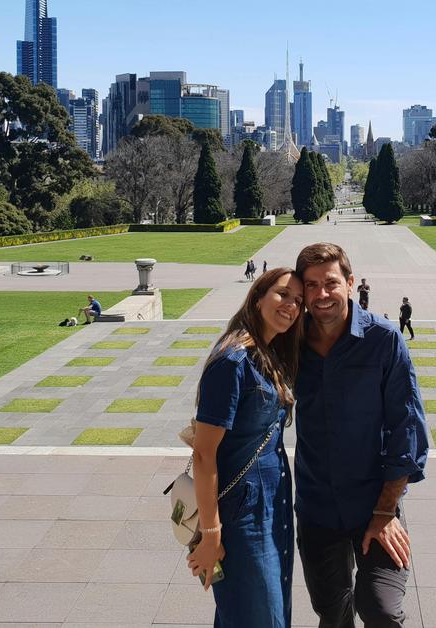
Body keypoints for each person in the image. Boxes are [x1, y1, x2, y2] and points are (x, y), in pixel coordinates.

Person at [294, 242, 428, 627]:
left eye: (331, 283)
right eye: (312, 285)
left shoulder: (383, 340)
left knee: (380, 610)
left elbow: (408, 427)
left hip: (375, 503)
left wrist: (386, 511)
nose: (322, 294)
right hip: (317, 506)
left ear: (350, 283)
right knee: (332, 614)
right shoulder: (291, 342)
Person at [188, 268, 304, 627]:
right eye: (283, 294)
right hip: (242, 513)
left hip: (273, 505)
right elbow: (204, 454)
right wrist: (210, 535)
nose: (291, 305)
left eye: (298, 301)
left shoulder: (269, 353)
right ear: (257, 297)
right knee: (259, 615)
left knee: (259, 612)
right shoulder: (233, 361)